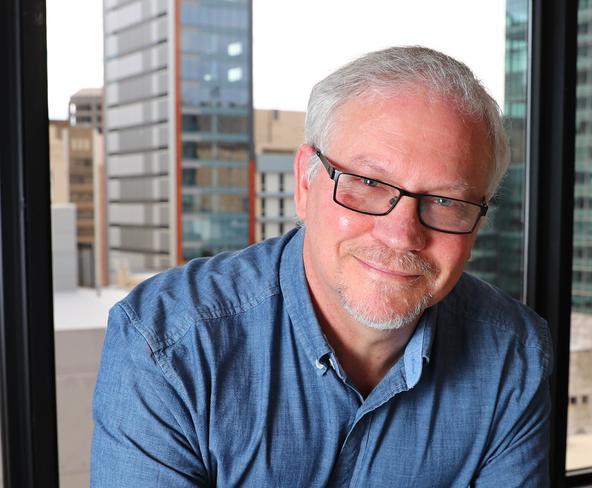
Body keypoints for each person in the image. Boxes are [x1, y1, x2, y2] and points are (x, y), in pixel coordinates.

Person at [91, 46, 552, 487]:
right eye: (368, 182)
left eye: (445, 201)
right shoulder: (168, 345)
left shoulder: (514, 355)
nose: (401, 235)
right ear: (304, 184)